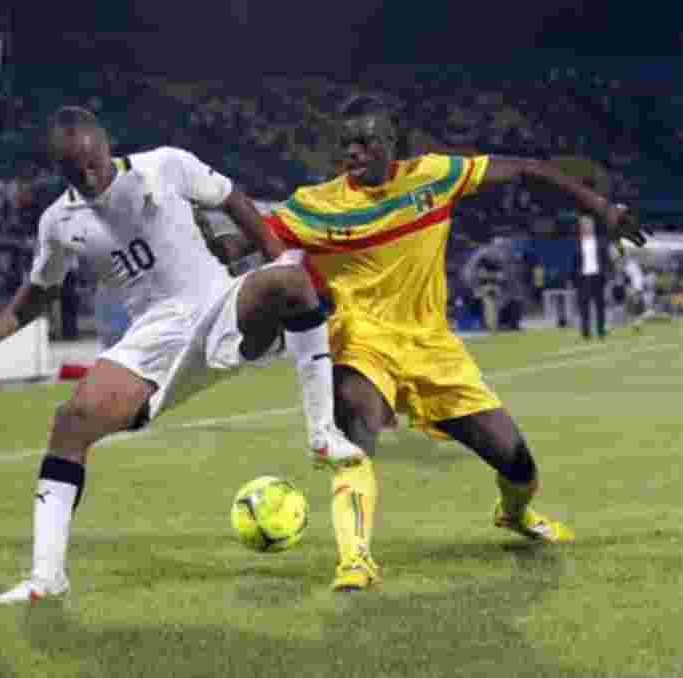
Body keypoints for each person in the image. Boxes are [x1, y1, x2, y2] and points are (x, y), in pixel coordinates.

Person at [0, 107, 364, 604]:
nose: (89, 176)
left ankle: (321, 434)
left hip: (219, 305)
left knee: (293, 279)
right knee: (70, 423)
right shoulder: (59, 222)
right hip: (153, 340)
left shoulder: (164, 165)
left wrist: (274, 257)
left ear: (106, 146)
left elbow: (234, 199)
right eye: (75, 172)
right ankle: (46, 576)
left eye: (93, 163)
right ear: (60, 171)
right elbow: (38, 294)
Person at [267, 95, 649, 591]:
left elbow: (529, 170)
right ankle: (354, 559)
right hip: (361, 340)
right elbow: (251, 237)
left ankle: (514, 514)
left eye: (366, 141)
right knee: (355, 431)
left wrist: (602, 208)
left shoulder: (435, 176)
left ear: (392, 145)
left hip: (434, 349)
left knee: (517, 463)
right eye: (346, 144)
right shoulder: (315, 206)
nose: (354, 151)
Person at [571, 213, 614, 340]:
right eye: (584, 225)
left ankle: (601, 332)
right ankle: (586, 333)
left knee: (600, 306)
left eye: (589, 225)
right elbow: (574, 262)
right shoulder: (577, 243)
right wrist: (574, 278)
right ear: (581, 227)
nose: (587, 227)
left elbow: (607, 259)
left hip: (598, 276)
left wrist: (608, 273)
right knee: (584, 306)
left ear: (593, 226)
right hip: (583, 277)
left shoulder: (600, 241)